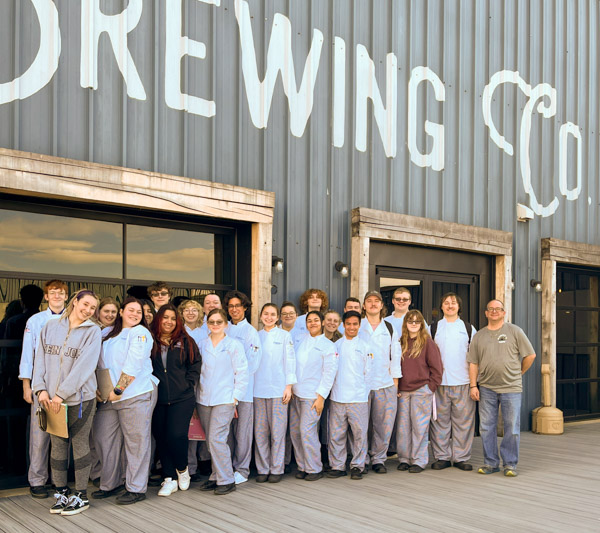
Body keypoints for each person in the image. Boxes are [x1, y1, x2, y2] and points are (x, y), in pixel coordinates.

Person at [32, 289, 102, 516]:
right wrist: (40, 390)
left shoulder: (93, 331)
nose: (89, 310)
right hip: (51, 399)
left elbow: (84, 367)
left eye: (93, 308)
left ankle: (81, 495)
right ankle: (61, 493)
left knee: (80, 444)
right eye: (86, 305)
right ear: (75, 302)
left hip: (80, 399)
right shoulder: (50, 327)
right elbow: (40, 359)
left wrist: (61, 394)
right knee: (58, 445)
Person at [92, 297, 157, 505]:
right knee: (104, 438)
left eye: (139, 311)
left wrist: (118, 390)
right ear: (121, 311)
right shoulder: (107, 333)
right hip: (109, 396)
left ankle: (136, 488)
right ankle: (110, 483)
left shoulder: (141, 333)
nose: (135, 314)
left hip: (135, 395)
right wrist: (98, 389)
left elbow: (134, 363)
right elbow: (98, 363)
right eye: (131, 310)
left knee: (136, 442)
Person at [467, 299, 536, 477]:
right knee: (486, 427)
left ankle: (510, 464)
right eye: (491, 309)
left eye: (498, 309)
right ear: (486, 313)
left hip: (511, 387)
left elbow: (530, 355)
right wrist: (473, 385)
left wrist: (519, 372)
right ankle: (491, 463)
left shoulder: (514, 331)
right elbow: (473, 362)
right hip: (486, 388)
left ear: (504, 313)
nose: (494, 312)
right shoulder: (479, 336)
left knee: (511, 427)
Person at [17, 280, 68, 498]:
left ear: (67, 296)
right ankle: (37, 480)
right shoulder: (36, 320)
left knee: (64, 436)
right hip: (42, 384)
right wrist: (26, 385)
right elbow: (28, 354)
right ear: (46, 297)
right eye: (52, 293)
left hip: (67, 386)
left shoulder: (73, 319)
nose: (57, 296)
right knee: (40, 436)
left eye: (61, 293)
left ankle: (61, 481)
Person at [150, 304, 201, 496]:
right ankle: (168, 478)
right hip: (158, 398)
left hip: (182, 397)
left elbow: (196, 363)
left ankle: (183, 469)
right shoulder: (151, 340)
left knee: (176, 435)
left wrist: (188, 383)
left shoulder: (185, 340)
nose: (169, 322)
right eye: (165, 318)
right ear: (159, 319)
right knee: (161, 437)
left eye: (172, 318)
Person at [198, 309, 248, 495]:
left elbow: (241, 372)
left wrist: (235, 397)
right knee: (211, 440)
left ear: (226, 324)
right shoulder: (201, 344)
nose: (215, 325)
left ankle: (226, 479)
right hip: (203, 399)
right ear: (207, 324)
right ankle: (215, 475)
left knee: (216, 438)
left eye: (219, 321)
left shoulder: (233, 345)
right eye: (212, 321)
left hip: (225, 398)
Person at [429, 293, 477, 471]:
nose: (450, 306)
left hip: (463, 382)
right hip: (439, 383)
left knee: (463, 422)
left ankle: (461, 457)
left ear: (459, 307)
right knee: (440, 422)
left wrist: (474, 384)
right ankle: (442, 457)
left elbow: (475, 358)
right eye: (446, 303)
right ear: (441, 307)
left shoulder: (469, 328)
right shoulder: (432, 328)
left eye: (454, 303)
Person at [290, 311, 338, 481]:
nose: (312, 323)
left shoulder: (328, 345)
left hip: (313, 396)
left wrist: (321, 397)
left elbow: (329, 373)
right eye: (309, 321)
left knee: (307, 431)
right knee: (296, 432)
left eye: (316, 320)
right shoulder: (299, 340)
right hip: (296, 394)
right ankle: (303, 465)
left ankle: (315, 468)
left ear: (323, 322)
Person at [358, 291, 402, 473]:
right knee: (361, 426)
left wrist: (395, 385)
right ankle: (361, 459)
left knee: (383, 426)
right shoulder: (357, 326)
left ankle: (378, 459)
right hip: (361, 385)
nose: (373, 304)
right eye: (369, 301)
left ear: (382, 306)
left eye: (377, 301)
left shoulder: (390, 328)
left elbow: (396, 357)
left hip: (385, 384)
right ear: (364, 306)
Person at [396, 310, 443, 473]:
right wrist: (396, 387)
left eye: (417, 321)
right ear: (405, 323)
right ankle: (404, 458)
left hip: (421, 389)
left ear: (421, 324)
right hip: (403, 391)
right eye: (410, 321)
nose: (413, 324)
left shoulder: (427, 342)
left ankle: (418, 460)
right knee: (403, 427)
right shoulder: (400, 341)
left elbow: (437, 369)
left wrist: (430, 388)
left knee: (419, 427)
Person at [254, 303, 296, 483]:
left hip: (279, 390)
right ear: (261, 316)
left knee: (278, 431)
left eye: (272, 314)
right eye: (266, 314)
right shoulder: (255, 336)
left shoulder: (285, 336)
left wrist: (289, 386)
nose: (269, 317)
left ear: (277, 317)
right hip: (258, 390)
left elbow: (290, 361)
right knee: (260, 431)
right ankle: (263, 468)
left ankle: (277, 468)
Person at [327, 311, 372, 480]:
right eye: (349, 324)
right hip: (338, 397)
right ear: (343, 325)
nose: (352, 327)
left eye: (355, 324)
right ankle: (338, 465)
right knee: (336, 434)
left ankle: (358, 465)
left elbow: (369, 374)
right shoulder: (336, 346)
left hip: (358, 398)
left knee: (359, 434)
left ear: (359, 326)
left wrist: (363, 394)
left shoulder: (365, 347)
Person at [223, 290, 262, 485]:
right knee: (226, 432)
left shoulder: (250, 332)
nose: (234, 309)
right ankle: (226, 467)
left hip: (243, 392)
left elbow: (252, 364)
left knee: (242, 432)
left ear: (245, 308)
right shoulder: (223, 329)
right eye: (231, 306)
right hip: (223, 391)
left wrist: (237, 384)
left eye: (238, 306)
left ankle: (242, 469)